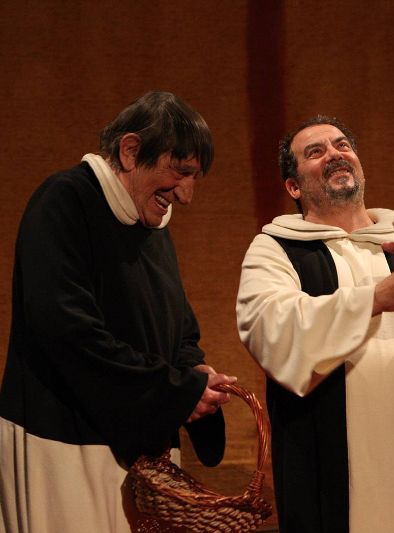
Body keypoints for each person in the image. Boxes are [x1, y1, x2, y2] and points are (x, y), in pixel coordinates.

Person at [236, 115, 394, 533]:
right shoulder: (274, 249)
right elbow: (270, 326)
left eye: (342, 146)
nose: (334, 154)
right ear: (294, 187)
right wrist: (373, 300)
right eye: (316, 152)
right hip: (328, 444)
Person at [0, 91, 237, 532]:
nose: (186, 195)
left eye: (194, 177)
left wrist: (193, 374)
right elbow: (67, 331)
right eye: (180, 172)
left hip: (143, 452)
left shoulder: (152, 227)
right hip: (68, 446)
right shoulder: (65, 201)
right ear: (130, 151)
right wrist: (173, 392)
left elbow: (179, 330)